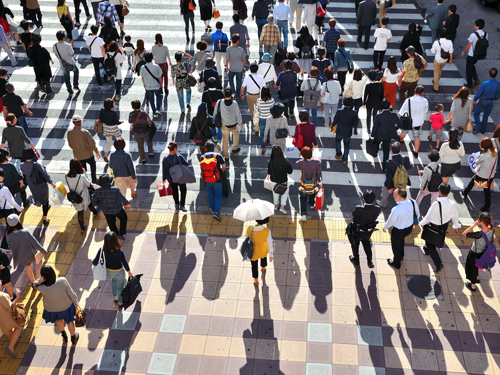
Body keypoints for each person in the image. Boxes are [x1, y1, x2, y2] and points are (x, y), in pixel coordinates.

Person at [33, 264, 80, 344]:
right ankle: (73, 337)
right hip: (66, 307)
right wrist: (75, 301)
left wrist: (40, 280)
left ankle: (64, 335)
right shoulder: (62, 280)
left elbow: (34, 285)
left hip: (52, 309)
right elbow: (71, 292)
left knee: (58, 320)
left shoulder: (42, 288)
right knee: (70, 322)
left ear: (44, 277)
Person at [419, 183, 461, 273]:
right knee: (436, 238)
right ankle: (427, 249)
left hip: (434, 225)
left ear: (439, 191)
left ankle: (438, 263)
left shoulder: (436, 204)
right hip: (444, 225)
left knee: (431, 245)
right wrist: (456, 227)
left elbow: (428, 217)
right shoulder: (452, 203)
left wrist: (422, 223)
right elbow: (455, 216)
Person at [92, 231, 133, 306]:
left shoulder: (102, 250)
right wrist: (129, 271)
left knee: (113, 282)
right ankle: (120, 302)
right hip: (119, 272)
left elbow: (94, 262)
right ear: (115, 240)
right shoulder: (120, 252)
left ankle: (115, 298)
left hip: (109, 272)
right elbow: (125, 263)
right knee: (120, 287)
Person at [383, 188, 419, 269]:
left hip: (398, 231)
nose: (393, 196)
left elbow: (391, 221)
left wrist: (385, 227)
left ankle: (396, 263)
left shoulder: (396, 209)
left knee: (396, 246)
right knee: (401, 240)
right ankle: (401, 255)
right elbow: (417, 213)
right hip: (409, 229)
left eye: (394, 195)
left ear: (399, 198)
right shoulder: (412, 202)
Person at [5, 213, 47, 282]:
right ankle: (38, 281)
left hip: (21, 256)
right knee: (39, 263)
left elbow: (10, 245)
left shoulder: (8, 235)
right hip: (31, 254)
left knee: (28, 267)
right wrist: (44, 251)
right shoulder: (25, 232)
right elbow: (35, 243)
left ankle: (33, 282)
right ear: (18, 221)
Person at [461, 138, 497, 212]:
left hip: (482, 175)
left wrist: (478, 157)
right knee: (486, 191)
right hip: (490, 176)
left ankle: (465, 192)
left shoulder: (484, 155)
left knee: (472, 181)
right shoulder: (495, 153)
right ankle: (487, 207)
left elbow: (477, 162)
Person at [21, 150, 55, 225]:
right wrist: (51, 183)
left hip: (32, 186)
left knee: (39, 198)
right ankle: (45, 219)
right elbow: (45, 174)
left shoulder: (22, 165)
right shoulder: (37, 165)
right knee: (45, 201)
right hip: (42, 185)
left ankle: (43, 205)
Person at [92, 173, 130, 240]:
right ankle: (122, 233)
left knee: (111, 223)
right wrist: (127, 204)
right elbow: (122, 198)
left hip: (106, 211)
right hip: (117, 209)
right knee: (123, 218)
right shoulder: (115, 189)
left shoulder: (98, 191)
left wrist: (101, 206)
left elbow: (94, 202)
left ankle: (115, 235)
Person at [349, 189, 381, 268]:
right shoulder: (377, 209)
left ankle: (356, 260)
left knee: (355, 245)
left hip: (357, 231)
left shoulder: (358, 209)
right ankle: (369, 261)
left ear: (364, 199)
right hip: (368, 231)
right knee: (366, 244)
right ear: (374, 200)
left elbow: (354, 214)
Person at [65, 159, 99, 235]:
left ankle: (82, 229)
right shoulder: (81, 176)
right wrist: (85, 173)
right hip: (84, 195)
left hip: (75, 197)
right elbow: (89, 184)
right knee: (90, 205)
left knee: (80, 212)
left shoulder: (66, 176)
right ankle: (95, 213)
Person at [463, 212, 494, 291]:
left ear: (482, 222)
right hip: (483, 252)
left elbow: (465, 233)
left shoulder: (479, 234)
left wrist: (473, 226)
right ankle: (477, 277)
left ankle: (473, 286)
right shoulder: (491, 228)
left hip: (474, 253)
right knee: (477, 264)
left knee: (472, 268)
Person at [377, 142, 412, 208]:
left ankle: (383, 203)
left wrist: (389, 187)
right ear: (400, 150)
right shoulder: (406, 158)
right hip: (402, 180)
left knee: (385, 192)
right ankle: (401, 204)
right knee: (401, 193)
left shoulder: (389, 162)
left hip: (392, 182)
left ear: (391, 151)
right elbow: (409, 166)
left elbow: (388, 176)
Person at [67, 115, 100, 183]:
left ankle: (85, 181)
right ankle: (94, 179)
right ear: (80, 122)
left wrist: (76, 148)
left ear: (73, 123)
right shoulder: (84, 132)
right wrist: (96, 151)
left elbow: (70, 144)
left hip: (78, 155)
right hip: (88, 154)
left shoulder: (69, 132)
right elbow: (92, 143)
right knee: (92, 164)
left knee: (83, 168)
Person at [398, 85, 429, 158]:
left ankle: (401, 140)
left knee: (404, 132)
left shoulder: (408, 100)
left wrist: (397, 119)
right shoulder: (425, 101)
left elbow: (401, 111)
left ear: (415, 90)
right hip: (418, 122)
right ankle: (416, 152)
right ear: (422, 92)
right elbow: (425, 110)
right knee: (417, 136)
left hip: (408, 121)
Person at [372, 99, 402, 168]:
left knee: (376, 144)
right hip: (388, 135)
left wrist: (372, 135)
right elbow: (400, 123)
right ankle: (384, 167)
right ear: (389, 106)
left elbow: (375, 126)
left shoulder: (378, 116)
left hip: (379, 134)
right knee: (386, 151)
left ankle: (375, 153)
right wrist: (394, 128)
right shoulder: (393, 115)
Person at [201, 141, 226, 221]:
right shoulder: (218, 156)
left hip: (207, 179)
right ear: (214, 148)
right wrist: (221, 172)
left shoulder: (202, 157)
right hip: (217, 179)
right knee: (218, 196)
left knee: (210, 193)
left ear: (205, 149)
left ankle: (212, 208)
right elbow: (224, 165)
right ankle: (216, 212)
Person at [296, 146, 322, 222]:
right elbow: (319, 174)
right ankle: (311, 204)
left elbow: (297, 162)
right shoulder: (317, 162)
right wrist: (320, 183)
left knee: (303, 198)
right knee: (312, 193)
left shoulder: (301, 162)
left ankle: (304, 215)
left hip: (303, 184)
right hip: (313, 184)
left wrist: (300, 156)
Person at [216, 87, 242, 159]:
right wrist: (240, 123)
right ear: (231, 94)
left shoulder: (220, 102)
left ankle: (226, 156)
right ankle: (234, 148)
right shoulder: (235, 103)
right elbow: (238, 114)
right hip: (233, 124)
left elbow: (215, 112)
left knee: (225, 141)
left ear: (224, 93)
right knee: (236, 134)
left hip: (224, 125)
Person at [246, 217, 273, 286]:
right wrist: (271, 254)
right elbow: (270, 244)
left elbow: (246, 238)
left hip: (253, 252)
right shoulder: (267, 231)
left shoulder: (249, 228)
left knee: (254, 266)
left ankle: (256, 279)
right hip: (263, 250)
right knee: (263, 259)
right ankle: (263, 267)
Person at [162, 142, 189, 212]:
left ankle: (176, 204)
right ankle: (182, 205)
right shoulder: (179, 157)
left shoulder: (165, 159)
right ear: (175, 149)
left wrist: (164, 180)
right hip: (180, 178)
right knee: (183, 190)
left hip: (171, 179)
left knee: (174, 191)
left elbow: (164, 170)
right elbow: (187, 164)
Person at [461, 19, 487, 90]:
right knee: (471, 65)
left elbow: (468, 45)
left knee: (468, 70)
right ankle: (476, 79)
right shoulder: (485, 34)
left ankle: (470, 85)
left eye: (475, 25)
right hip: (479, 54)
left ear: (477, 26)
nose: (474, 26)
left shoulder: (473, 35)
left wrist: (464, 51)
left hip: (471, 54)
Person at [473, 68, 500, 134]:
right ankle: (483, 129)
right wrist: (494, 99)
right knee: (486, 115)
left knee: (476, 113)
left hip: (483, 100)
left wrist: (475, 99)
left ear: (488, 74)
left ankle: (478, 127)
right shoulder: (498, 84)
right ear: (497, 74)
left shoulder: (485, 83)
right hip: (491, 101)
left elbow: (479, 93)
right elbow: (497, 96)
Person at [332, 96, 359, 164]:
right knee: (346, 145)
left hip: (339, 130)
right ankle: (345, 159)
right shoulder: (354, 112)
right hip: (348, 130)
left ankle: (338, 154)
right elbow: (355, 122)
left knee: (338, 141)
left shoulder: (339, 111)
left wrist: (332, 126)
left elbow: (335, 120)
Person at [53, 30, 80, 95]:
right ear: (63, 37)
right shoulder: (67, 45)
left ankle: (70, 90)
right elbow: (72, 55)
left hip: (63, 64)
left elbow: (56, 54)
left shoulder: (55, 45)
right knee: (76, 71)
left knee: (66, 77)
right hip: (71, 63)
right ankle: (75, 85)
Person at [0, 285, 22, 357]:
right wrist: (18, 296)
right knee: (18, 327)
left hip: (1, 320)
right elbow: (10, 307)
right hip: (8, 317)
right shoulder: (3, 295)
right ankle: (11, 347)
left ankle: (13, 341)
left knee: (8, 330)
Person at [98, 98, 122, 163]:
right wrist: (121, 122)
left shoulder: (102, 110)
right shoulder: (113, 113)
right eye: (113, 103)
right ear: (111, 106)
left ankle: (105, 155)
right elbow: (117, 122)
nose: (114, 104)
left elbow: (101, 119)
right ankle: (120, 154)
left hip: (106, 128)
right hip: (114, 128)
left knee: (108, 142)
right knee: (119, 141)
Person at [241, 62, 265, 127]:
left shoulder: (247, 78)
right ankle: (258, 118)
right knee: (258, 108)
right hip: (258, 95)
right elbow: (264, 87)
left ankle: (252, 117)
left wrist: (242, 94)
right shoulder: (261, 78)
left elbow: (242, 87)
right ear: (257, 69)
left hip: (249, 95)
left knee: (251, 108)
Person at [141, 52, 163, 117]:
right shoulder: (156, 66)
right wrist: (161, 84)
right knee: (159, 96)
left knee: (151, 99)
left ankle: (154, 112)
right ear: (152, 58)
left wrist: (144, 84)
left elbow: (142, 77)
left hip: (148, 86)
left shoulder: (143, 67)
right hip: (156, 85)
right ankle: (158, 109)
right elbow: (160, 76)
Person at [253, 87, 275, 155]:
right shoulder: (272, 100)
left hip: (262, 119)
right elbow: (273, 109)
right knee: (269, 131)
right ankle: (268, 142)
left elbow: (256, 109)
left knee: (262, 133)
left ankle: (263, 146)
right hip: (269, 119)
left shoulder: (259, 100)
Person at [431, 28, 453, 93]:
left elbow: (432, 51)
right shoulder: (450, 42)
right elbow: (451, 52)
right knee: (440, 70)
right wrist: (450, 60)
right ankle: (437, 80)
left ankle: (436, 87)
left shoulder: (436, 42)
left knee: (436, 73)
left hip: (437, 59)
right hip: (445, 60)